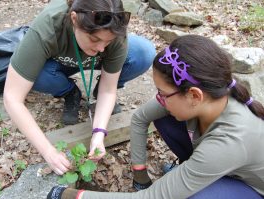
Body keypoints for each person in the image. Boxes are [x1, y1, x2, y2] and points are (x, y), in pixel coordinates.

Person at [47, 35, 264, 199]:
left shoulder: (228, 142)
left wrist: (71, 195)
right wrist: (139, 174)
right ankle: (192, 171)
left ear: (194, 95)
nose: (158, 98)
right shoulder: (210, 96)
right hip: (219, 162)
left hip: (251, 187)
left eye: (162, 93)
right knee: (165, 117)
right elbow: (141, 117)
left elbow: (150, 198)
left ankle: (198, 177)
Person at [3, 0, 156, 176]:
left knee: (143, 52)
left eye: (107, 42)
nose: (100, 48)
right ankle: (68, 91)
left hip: (90, 62)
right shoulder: (48, 27)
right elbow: (12, 97)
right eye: (94, 39)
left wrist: (99, 133)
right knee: (32, 74)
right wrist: (48, 151)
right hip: (58, 62)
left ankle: (95, 95)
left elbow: (109, 89)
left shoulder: (113, 29)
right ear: (74, 19)